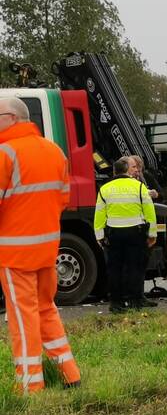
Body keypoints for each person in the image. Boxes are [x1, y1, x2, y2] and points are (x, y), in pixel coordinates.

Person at [0, 97, 81, 393]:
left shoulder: (5, 153)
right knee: (46, 309)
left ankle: (29, 387)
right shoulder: (54, 151)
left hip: (13, 252)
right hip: (47, 249)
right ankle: (70, 373)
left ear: (10, 117)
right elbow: (62, 199)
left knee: (22, 318)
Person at [94, 157, 157, 313]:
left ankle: (116, 303)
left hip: (114, 234)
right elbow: (150, 212)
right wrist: (152, 234)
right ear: (126, 170)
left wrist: (100, 237)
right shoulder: (139, 187)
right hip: (136, 233)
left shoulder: (105, 189)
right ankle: (135, 300)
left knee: (115, 269)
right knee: (134, 267)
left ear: (115, 171)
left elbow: (99, 216)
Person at [127, 155, 160, 308]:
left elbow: (158, 194)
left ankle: (138, 297)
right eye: (134, 167)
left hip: (142, 228)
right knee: (132, 265)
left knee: (140, 265)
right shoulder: (126, 185)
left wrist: (153, 194)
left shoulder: (143, 180)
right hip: (133, 228)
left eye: (138, 167)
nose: (137, 170)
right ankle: (133, 298)